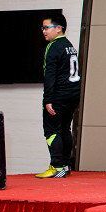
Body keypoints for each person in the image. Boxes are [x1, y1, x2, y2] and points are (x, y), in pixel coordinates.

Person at [36, 13, 81, 179]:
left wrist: (48, 99)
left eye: (46, 27)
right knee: (64, 129)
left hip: (58, 96)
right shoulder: (69, 45)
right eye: (42, 28)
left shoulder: (53, 46)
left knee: (52, 130)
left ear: (59, 28)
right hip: (72, 96)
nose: (44, 31)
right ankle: (66, 165)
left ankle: (57, 166)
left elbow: (49, 76)